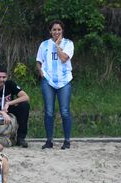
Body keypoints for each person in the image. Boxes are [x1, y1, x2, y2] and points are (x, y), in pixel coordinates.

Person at [36, 20, 74, 150]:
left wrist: (57, 45)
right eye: (54, 30)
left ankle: (67, 140)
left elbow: (63, 58)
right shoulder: (44, 44)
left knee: (64, 111)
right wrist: (41, 73)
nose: (56, 32)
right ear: (50, 31)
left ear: (62, 30)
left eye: (59, 29)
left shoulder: (68, 43)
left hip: (64, 81)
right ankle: (49, 140)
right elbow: (39, 61)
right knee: (49, 112)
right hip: (48, 81)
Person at [0, 65, 30, 148]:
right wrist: (1, 113)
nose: (2, 79)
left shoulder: (10, 84)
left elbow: (26, 97)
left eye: (4, 77)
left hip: (9, 112)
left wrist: (9, 103)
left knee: (24, 106)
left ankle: (20, 138)